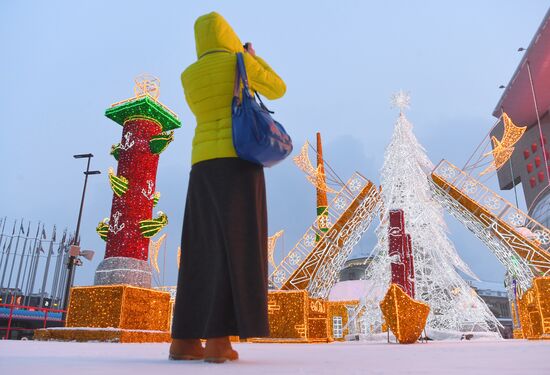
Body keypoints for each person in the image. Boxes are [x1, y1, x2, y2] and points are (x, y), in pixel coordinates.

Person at [170, 12, 286, 363]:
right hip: (238, 162)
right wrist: (250, 57)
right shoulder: (239, 64)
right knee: (235, 248)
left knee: (200, 248)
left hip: (201, 165)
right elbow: (278, 88)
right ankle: (219, 342)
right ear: (228, 35)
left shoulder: (189, 75)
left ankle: (184, 340)